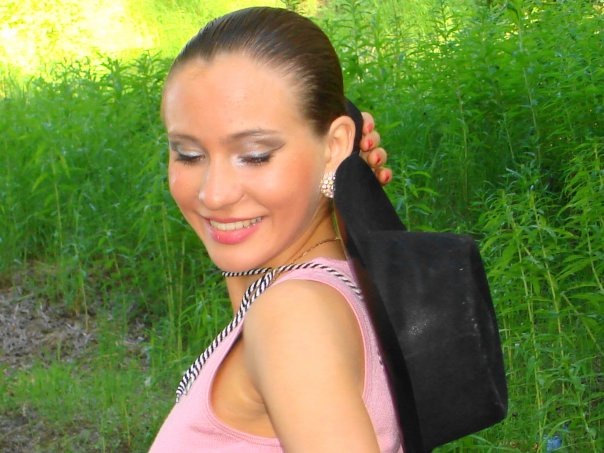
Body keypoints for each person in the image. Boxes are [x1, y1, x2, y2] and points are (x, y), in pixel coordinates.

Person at [151, 6, 402, 452]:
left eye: (255, 155)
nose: (214, 194)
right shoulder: (327, 284)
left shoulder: (292, 317)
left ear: (335, 145)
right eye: (189, 155)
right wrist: (334, 177)